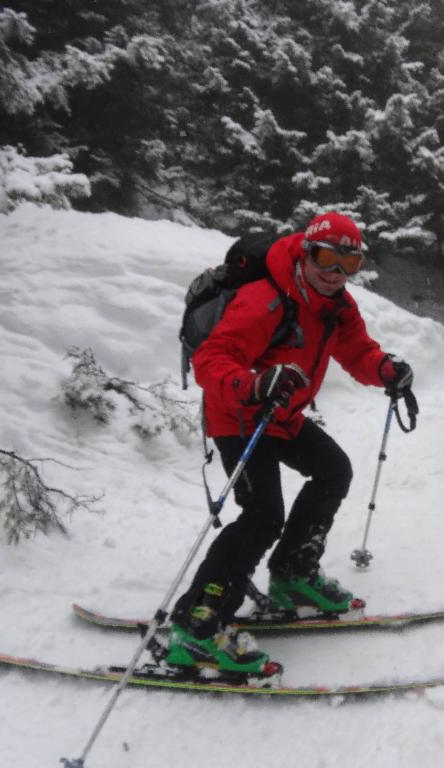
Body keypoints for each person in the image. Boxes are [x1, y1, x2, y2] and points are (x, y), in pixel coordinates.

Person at [165, 212, 414, 676]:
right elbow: (212, 359)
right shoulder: (265, 300)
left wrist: (386, 370)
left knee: (333, 470)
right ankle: (197, 625)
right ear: (306, 252)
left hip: (283, 416)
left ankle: (293, 575)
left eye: (349, 263)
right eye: (325, 258)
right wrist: (256, 383)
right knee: (262, 516)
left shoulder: (337, 305)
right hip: (239, 416)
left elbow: (357, 350)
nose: (335, 272)